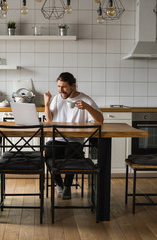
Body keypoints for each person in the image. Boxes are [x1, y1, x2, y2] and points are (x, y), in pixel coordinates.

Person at [44, 72, 104, 200]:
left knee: (71, 154)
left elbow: (100, 120)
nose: (61, 90)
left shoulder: (85, 100)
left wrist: (87, 107)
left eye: (64, 87)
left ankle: (67, 186)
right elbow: (49, 120)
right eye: (59, 87)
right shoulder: (56, 98)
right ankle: (59, 184)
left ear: (73, 86)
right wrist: (47, 104)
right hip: (56, 139)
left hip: (74, 141)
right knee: (48, 153)